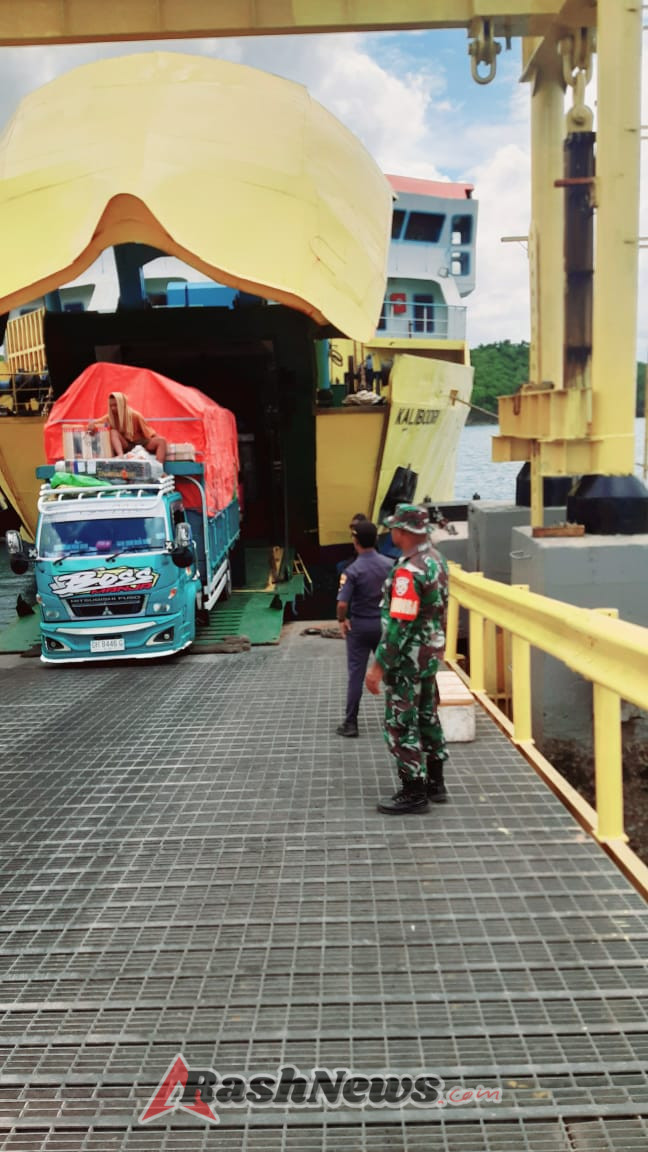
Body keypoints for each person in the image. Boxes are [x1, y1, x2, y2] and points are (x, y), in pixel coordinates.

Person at [365, 503, 449, 813]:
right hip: (428, 656)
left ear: (403, 531)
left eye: (395, 528)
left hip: (407, 661)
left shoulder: (408, 571)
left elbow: (399, 624)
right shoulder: (436, 561)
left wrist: (377, 667)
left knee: (401, 723)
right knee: (428, 715)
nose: (392, 532)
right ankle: (436, 783)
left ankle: (414, 791)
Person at [336, 519, 393, 738]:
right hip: (384, 625)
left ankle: (351, 724)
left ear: (355, 541)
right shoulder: (390, 565)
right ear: (376, 539)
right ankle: (394, 720)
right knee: (390, 673)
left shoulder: (353, 570)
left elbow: (342, 603)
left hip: (359, 626)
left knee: (356, 675)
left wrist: (342, 620)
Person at [88, 392, 167, 463]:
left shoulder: (135, 416)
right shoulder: (109, 417)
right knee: (113, 432)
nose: (113, 408)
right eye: (111, 406)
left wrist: (159, 443)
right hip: (126, 445)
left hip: (141, 443)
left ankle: (159, 467)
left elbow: (150, 433)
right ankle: (120, 456)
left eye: (115, 405)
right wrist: (91, 426)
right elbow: (94, 423)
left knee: (161, 441)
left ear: (122, 404)